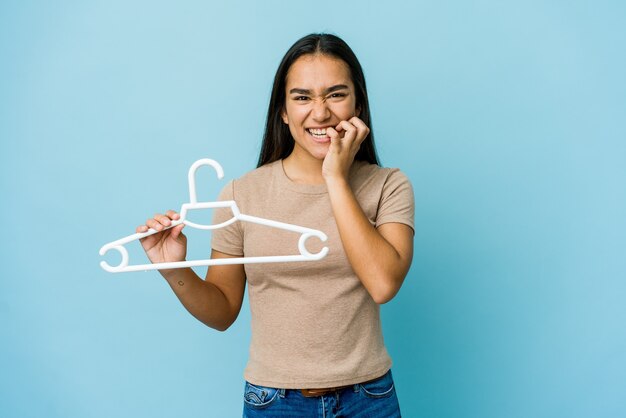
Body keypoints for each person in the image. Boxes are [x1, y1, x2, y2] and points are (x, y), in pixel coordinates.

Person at [136, 33, 414, 418]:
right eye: (302, 97)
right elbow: (222, 312)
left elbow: (383, 284)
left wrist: (335, 178)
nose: (320, 113)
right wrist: (173, 271)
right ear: (283, 111)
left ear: (358, 103)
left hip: (369, 399)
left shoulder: (388, 185)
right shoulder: (241, 194)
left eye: (335, 94)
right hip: (274, 403)